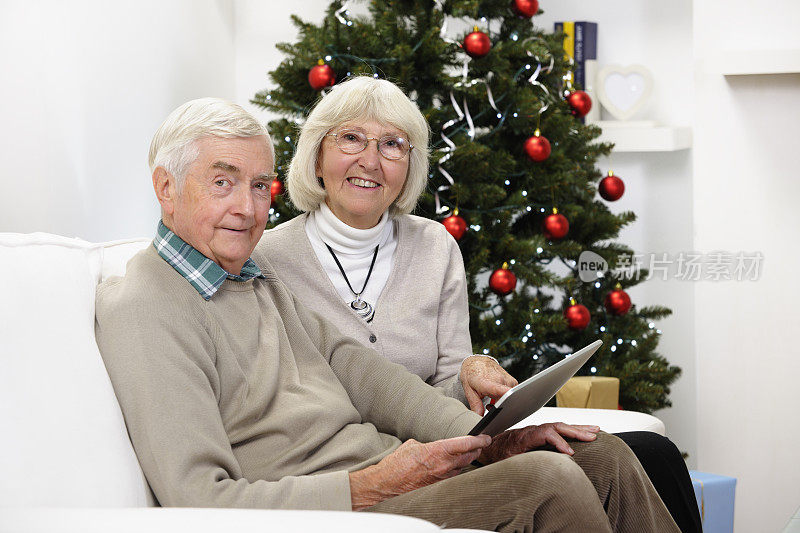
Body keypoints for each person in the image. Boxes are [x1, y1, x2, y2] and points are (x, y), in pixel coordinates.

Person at [95, 97, 680, 532]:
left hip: (386, 472)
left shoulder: (253, 273)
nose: (247, 210)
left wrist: (489, 440)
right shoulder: (149, 306)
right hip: (341, 508)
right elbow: (199, 498)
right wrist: (369, 486)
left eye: (258, 186)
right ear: (165, 187)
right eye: (222, 183)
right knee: (546, 480)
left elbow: (358, 369)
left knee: (592, 452)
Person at [256, 76, 702, 533]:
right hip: (368, 468)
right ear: (316, 155)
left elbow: (450, 385)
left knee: (612, 453)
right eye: (350, 138)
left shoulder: (434, 245)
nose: (370, 160)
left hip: (449, 445)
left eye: (392, 145)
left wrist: (469, 373)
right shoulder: (265, 260)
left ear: (410, 165)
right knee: (558, 474)